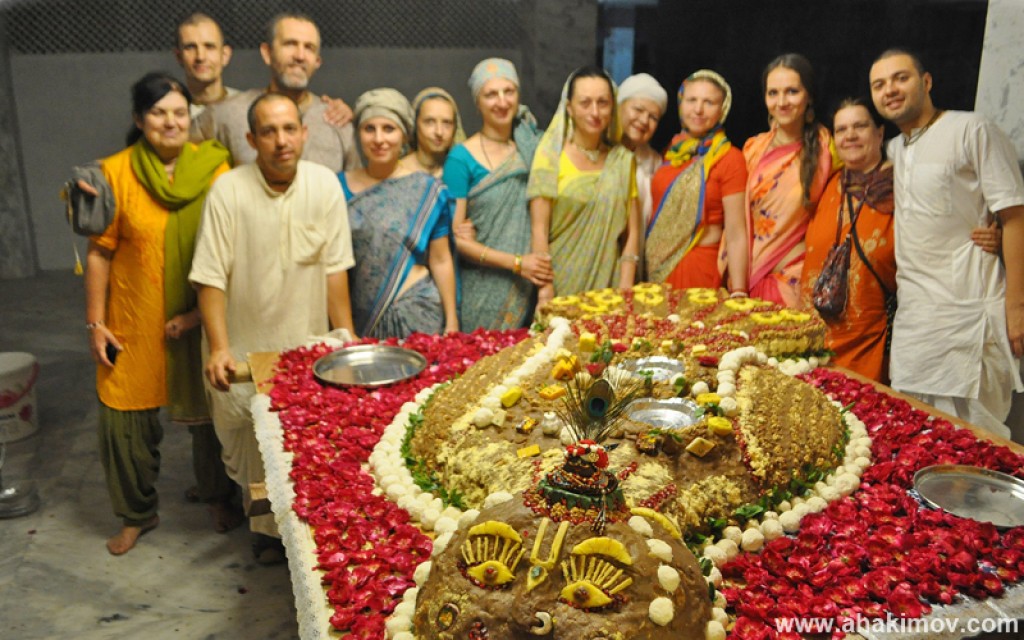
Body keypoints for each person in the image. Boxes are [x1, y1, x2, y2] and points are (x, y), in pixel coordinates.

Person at [190, 93, 356, 563]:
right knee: (251, 447)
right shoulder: (228, 191)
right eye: (269, 131)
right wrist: (219, 347)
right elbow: (209, 277)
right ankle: (266, 534)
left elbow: (335, 270)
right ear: (251, 139)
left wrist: (346, 338)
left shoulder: (324, 186)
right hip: (243, 349)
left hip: (301, 348)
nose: (281, 141)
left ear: (304, 134)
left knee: (304, 450)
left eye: (289, 129)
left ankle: (297, 539)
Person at [84, 72, 232, 555]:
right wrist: (96, 323)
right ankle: (136, 514)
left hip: (201, 313)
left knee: (211, 413)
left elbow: (229, 245)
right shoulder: (114, 173)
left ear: (191, 116)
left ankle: (217, 496)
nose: (171, 122)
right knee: (124, 422)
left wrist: (195, 316)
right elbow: (99, 253)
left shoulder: (214, 167)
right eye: (158, 112)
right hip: (134, 316)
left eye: (179, 112)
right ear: (138, 118)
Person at [869, 49, 1024, 436]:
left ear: (926, 82)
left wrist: (1017, 308)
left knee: (978, 446)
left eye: (900, 78)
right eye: (879, 84)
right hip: (915, 327)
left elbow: (1015, 215)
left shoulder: (972, 129)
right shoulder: (894, 149)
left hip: (968, 320)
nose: (890, 89)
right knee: (917, 442)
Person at [339, 88, 459, 338]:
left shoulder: (426, 190)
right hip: (361, 320)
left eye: (389, 129)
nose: (379, 139)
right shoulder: (338, 188)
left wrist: (452, 321)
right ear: (358, 134)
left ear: (404, 135)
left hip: (420, 313)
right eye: (369, 129)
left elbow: (440, 259)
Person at [444, 58, 550, 330]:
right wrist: (517, 263)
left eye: (509, 91)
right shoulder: (460, 158)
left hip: (526, 286)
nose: (502, 102)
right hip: (481, 288)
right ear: (477, 102)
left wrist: (535, 274)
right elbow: (457, 240)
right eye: (491, 94)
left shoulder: (533, 149)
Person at [527, 66, 641, 304]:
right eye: (585, 103)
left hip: (609, 289)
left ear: (612, 107)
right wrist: (545, 290)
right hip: (560, 284)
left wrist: (626, 290)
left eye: (603, 103)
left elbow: (631, 234)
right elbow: (539, 230)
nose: (595, 112)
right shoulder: (550, 157)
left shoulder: (622, 161)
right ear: (569, 108)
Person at [800, 98, 896, 383]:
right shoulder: (829, 183)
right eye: (841, 129)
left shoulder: (901, 188)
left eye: (860, 126)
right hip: (812, 343)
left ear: (880, 133)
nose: (850, 135)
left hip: (867, 344)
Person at [193, 12, 361, 172]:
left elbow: (358, 186)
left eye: (309, 47)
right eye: (290, 44)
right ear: (267, 53)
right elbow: (179, 159)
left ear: (317, 62)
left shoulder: (338, 121)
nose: (300, 56)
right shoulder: (226, 115)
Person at [744, 53, 834, 307]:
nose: (781, 102)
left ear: (809, 97)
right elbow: (738, 224)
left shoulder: (827, 149)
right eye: (773, 93)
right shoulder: (752, 150)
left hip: (798, 277)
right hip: (751, 277)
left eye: (792, 92)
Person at [647, 70, 748, 292]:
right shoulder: (671, 152)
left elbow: (736, 233)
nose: (698, 109)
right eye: (691, 100)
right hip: (657, 268)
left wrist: (739, 291)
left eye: (709, 102)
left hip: (701, 270)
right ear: (681, 104)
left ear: (722, 109)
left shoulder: (729, 159)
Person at [617, 73, 667, 231]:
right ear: (619, 106)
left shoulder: (654, 163)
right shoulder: (598, 151)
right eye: (638, 109)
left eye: (653, 117)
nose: (644, 121)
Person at [174, 13, 237, 124]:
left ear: (225, 55)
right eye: (190, 47)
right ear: (179, 56)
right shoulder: (170, 115)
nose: (200, 57)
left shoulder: (248, 107)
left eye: (209, 47)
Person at [400, 87, 465, 178]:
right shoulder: (397, 172)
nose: (439, 132)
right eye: (430, 122)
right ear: (415, 124)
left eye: (446, 123)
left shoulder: (462, 172)